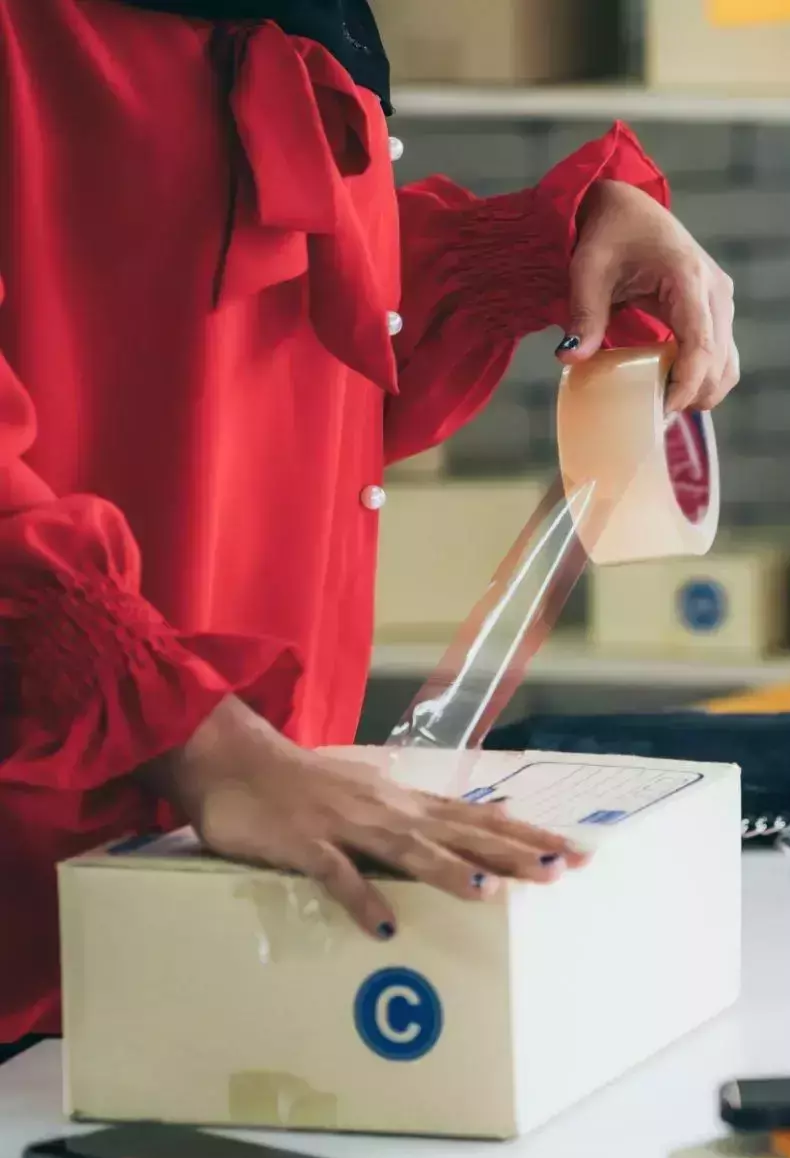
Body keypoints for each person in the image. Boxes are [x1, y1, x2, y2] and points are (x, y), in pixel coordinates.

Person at [0, 0, 742, 1061]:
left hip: (229, 875)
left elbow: (267, 325)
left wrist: (546, 250)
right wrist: (199, 740)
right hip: (48, 895)